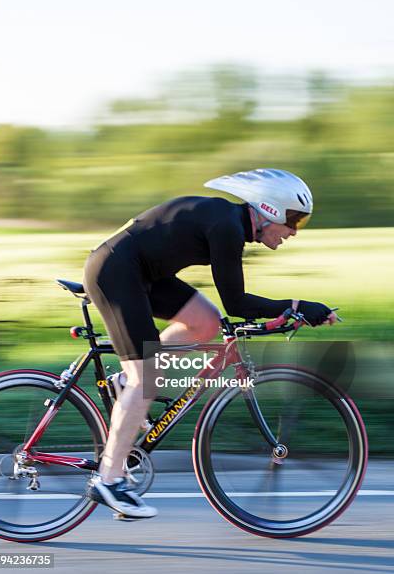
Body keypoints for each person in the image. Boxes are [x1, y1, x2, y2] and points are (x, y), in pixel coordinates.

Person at [83, 168, 337, 519]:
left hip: (141, 272)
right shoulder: (227, 227)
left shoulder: (230, 223)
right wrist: (296, 307)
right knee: (148, 379)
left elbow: (230, 311)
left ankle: (126, 384)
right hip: (115, 270)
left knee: (206, 323)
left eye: (301, 222)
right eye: (294, 220)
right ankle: (108, 480)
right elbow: (239, 304)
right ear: (269, 210)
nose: (294, 231)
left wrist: (292, 311)